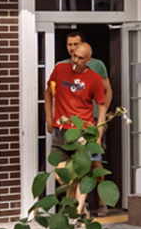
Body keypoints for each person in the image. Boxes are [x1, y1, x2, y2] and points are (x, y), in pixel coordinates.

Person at [45, 36, 109, 216]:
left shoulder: (94, 78)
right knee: (60, 173)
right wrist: (49, 117)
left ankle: (78, 211)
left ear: (88, 60)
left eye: (80, 58)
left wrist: (99, 132)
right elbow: (48, 91)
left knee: (83, 171)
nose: (75, 60)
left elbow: (102, 106)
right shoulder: (60, 69)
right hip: (61, 130)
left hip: (83, 130)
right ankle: (77, 204)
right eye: (74, 56)